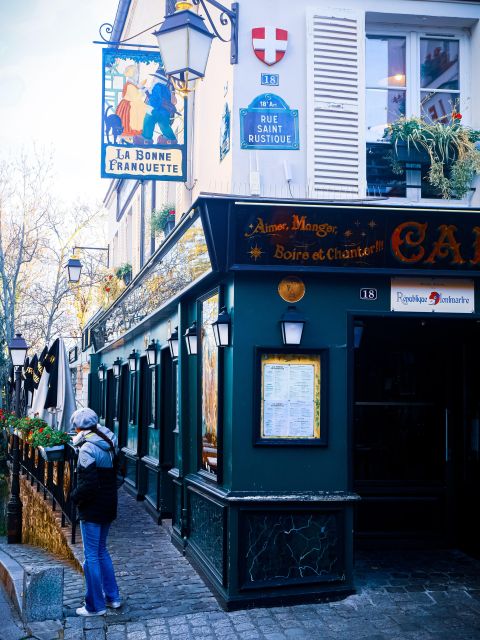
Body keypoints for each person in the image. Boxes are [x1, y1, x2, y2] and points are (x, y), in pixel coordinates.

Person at [70, 408, 121, 616]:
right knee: (102, 552)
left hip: (92, 508)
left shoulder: (87, 449)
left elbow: (88, 484)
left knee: (91, 555)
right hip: (109, 503)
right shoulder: (109, 440)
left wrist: (74, 497)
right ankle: (113, 598)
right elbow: (118, 475)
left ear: (80, 427)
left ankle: (95, 606)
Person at [134, 67, 178, 145]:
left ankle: (146, 139)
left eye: (154, 78)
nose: (153, 80)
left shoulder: (158, 86)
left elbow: (153, 99)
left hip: (154, 110)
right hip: (163, 112)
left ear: (159, 79)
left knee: (148, 122)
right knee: (164, 125)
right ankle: (170, 138)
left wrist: (144, 89)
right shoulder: (165, 89)